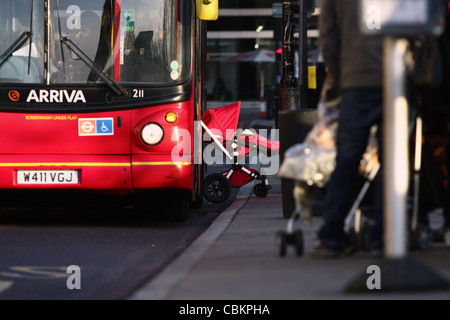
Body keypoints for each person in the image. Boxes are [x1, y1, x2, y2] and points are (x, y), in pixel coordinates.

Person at [310, 0, 384, 258]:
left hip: (356, 80)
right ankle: (382, 234)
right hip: (395, 78)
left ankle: (332, 233)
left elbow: (328, 37)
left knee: (347, 160)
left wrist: (341, 78)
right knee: (394, 162)